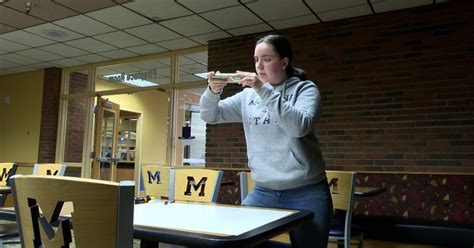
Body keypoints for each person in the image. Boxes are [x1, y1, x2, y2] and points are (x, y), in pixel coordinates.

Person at [199, 34, 332, 248]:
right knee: (234, 241)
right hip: (263, 190)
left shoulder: (305, 90)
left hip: (306, 190)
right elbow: (210, 115)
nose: (259, 66)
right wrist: (213, 92)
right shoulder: (247, 97)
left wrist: (262, 89)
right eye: (256, 60)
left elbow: (299, 127)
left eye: (266, 59)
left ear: (284, 62)